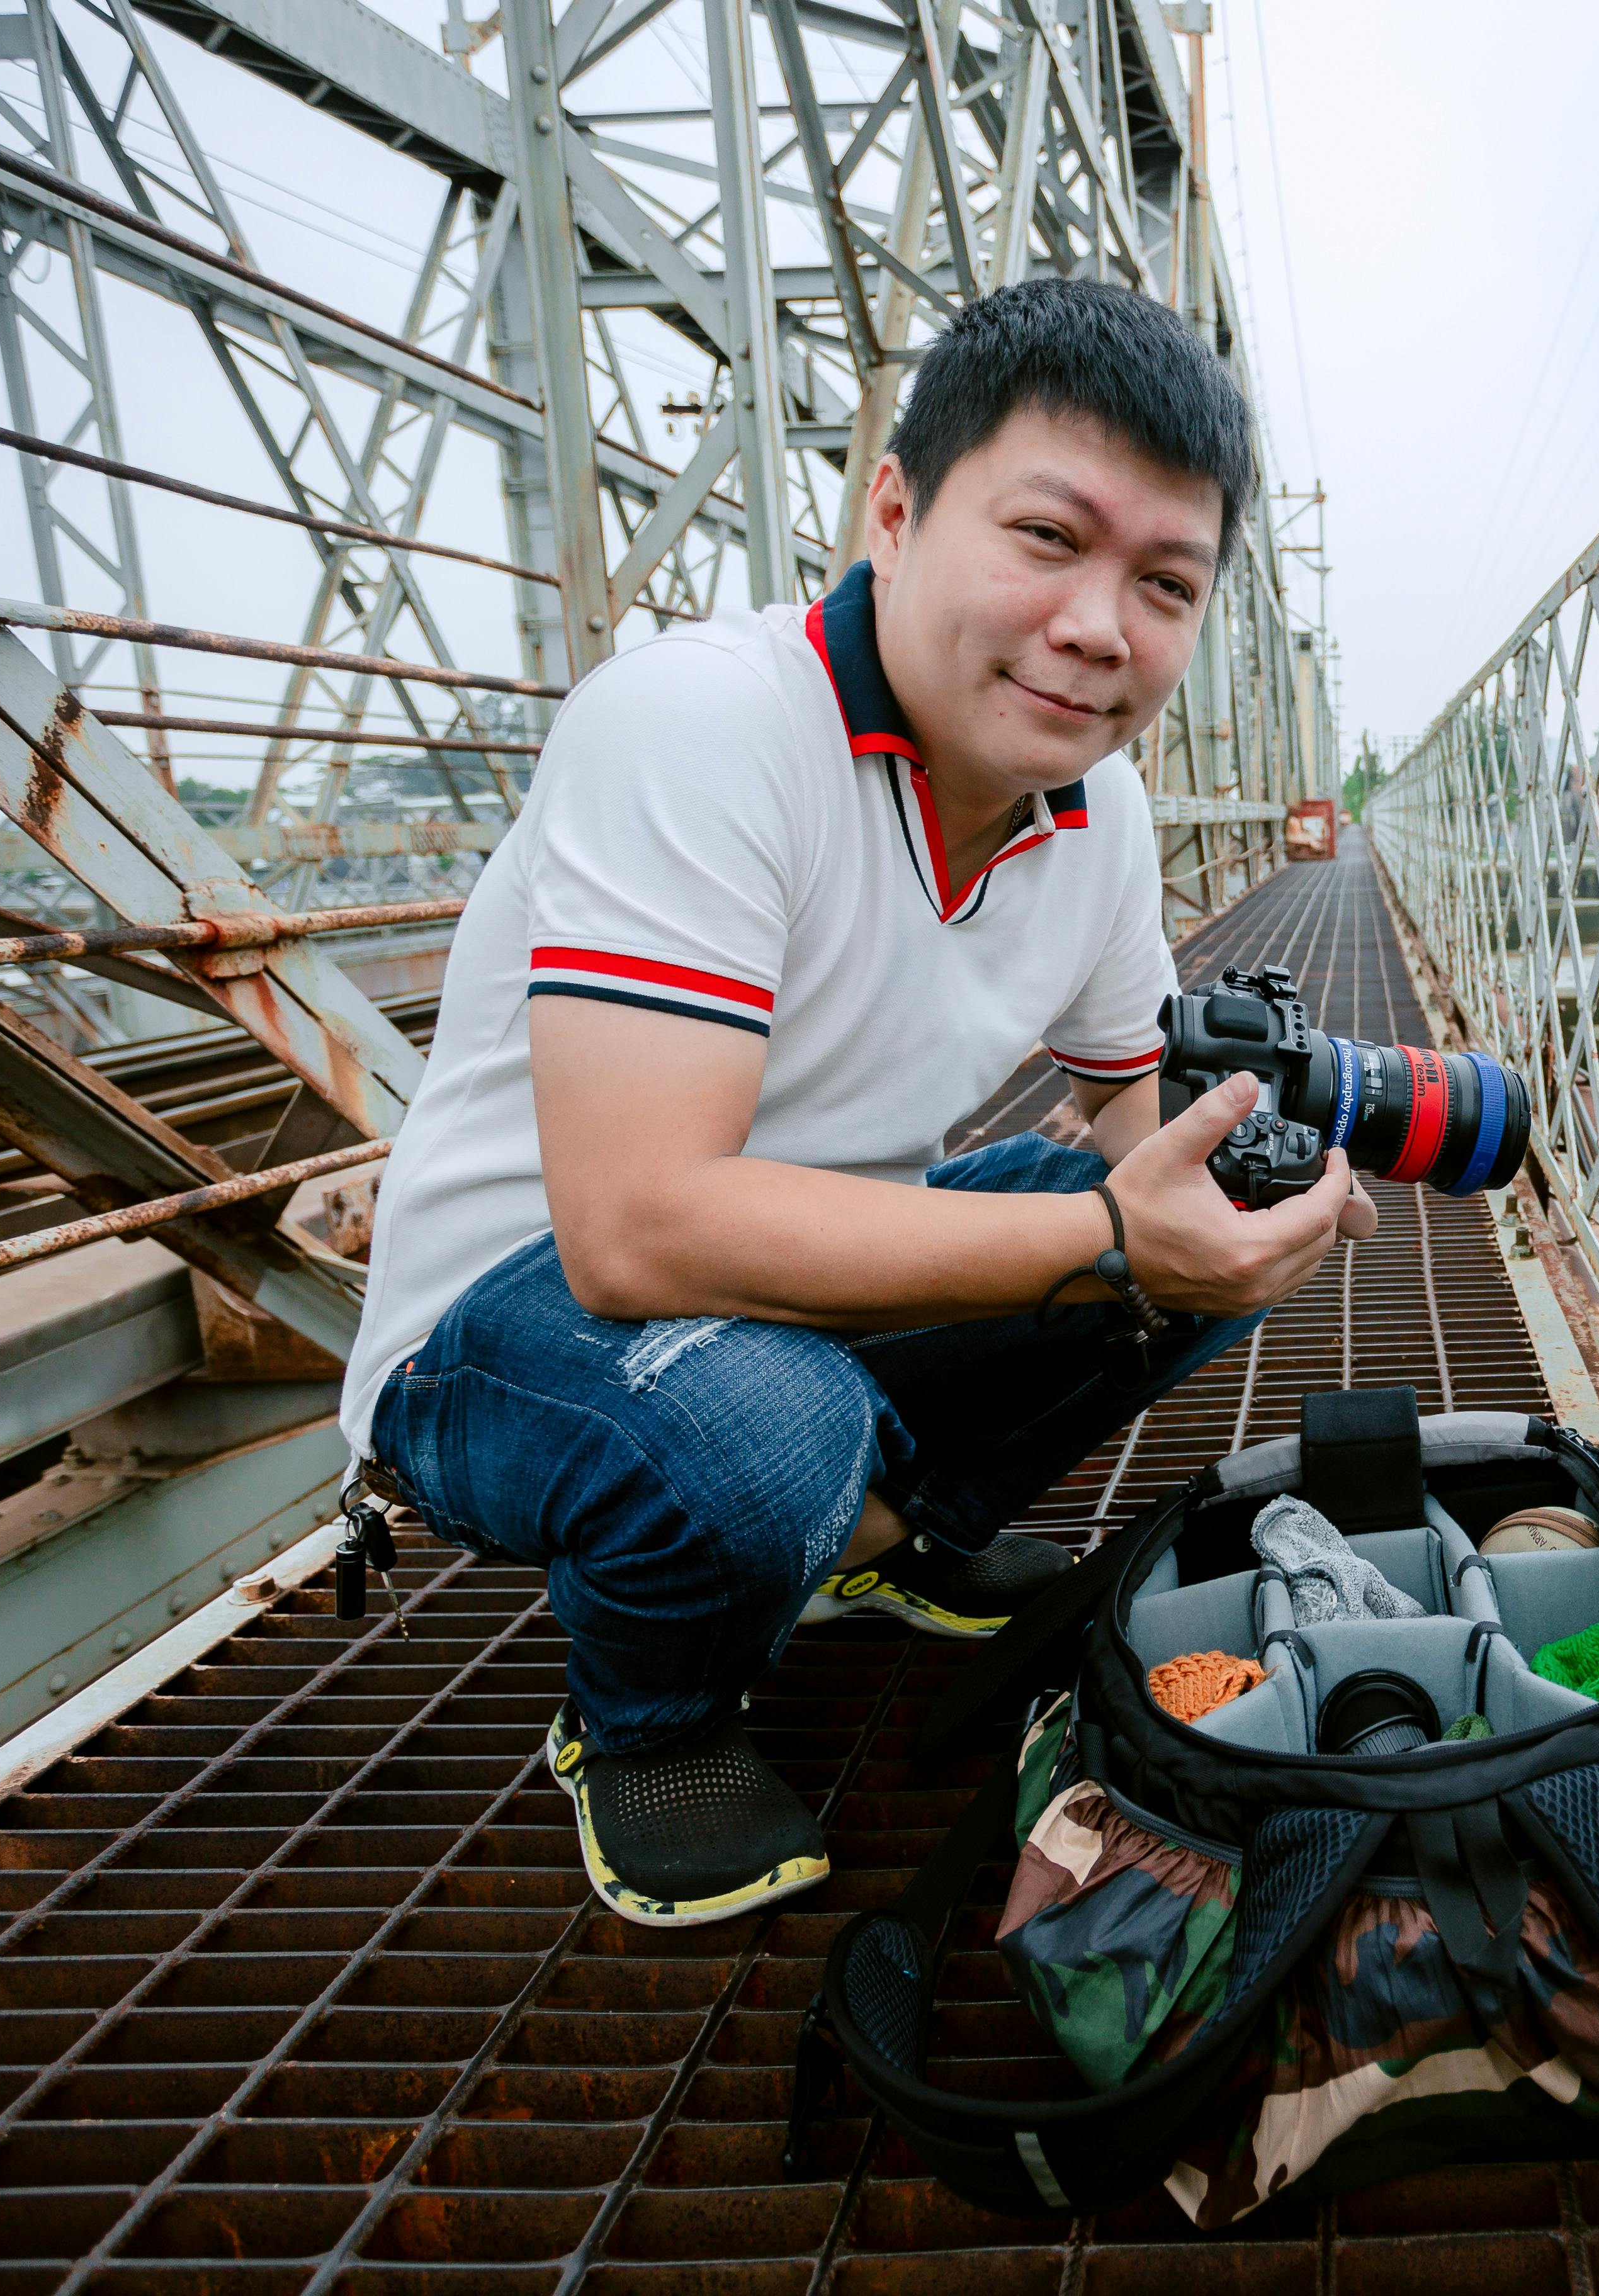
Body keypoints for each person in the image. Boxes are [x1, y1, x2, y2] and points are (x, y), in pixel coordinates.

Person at [337, 277, 1368, 1928]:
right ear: (893, 512)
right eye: (1048, 538)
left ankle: (882, 1534)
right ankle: (649, 1721)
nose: (1101, 627)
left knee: (1214, 1210)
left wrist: (1233, 1209)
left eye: (1165, 584)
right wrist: (1114, 1237)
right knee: (765, 1434)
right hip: (512, 1321)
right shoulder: (704, 723)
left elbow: (1136, 1134)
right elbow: (635, 1235)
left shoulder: (1097, 808)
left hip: (799, 1286)